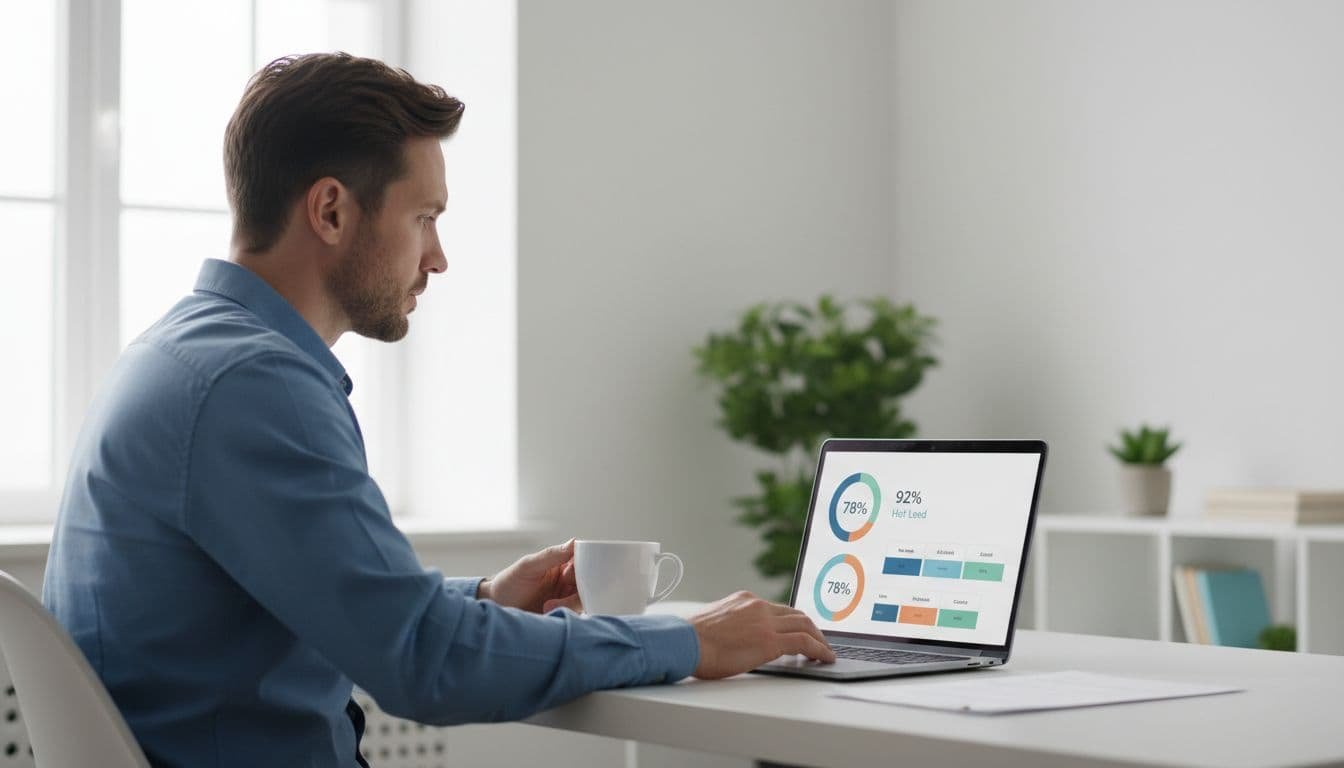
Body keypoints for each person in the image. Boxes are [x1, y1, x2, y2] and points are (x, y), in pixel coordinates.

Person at [42, 52, 833, 767]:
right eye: (425, 217)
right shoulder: (255, 385)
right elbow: (426, 662)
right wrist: (688, 639)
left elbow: (346, 608)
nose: (439, 258)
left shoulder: (182, 354)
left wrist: (483, 599)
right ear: (331, 211)